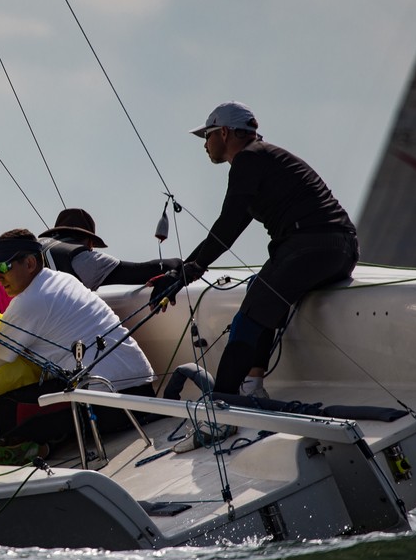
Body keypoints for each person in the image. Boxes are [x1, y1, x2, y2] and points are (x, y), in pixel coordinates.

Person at [150, 101, 358, 396]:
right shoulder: (264, 158)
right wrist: (184, 270)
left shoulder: (248, 159)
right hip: (342, 250)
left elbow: (229, 224)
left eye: (207, 135)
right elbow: (229, 226)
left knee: (246, 319)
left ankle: (223, 402)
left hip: (310, 246)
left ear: (224, 133)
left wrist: (192, 269)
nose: (205, 144)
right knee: (257, 290)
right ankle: (252, 385)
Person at [0, 229, 156, 461]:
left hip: (108, 406)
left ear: (30, 263)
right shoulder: (63, 279)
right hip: (142, 393)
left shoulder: (28, 302)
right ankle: (38, 446)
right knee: (44, 398)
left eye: (4, 267)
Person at [39, 208, 182, 290]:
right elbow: (140, 271)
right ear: (90, 242)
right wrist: (179, 264)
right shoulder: (86, 260)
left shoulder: (34, 247)